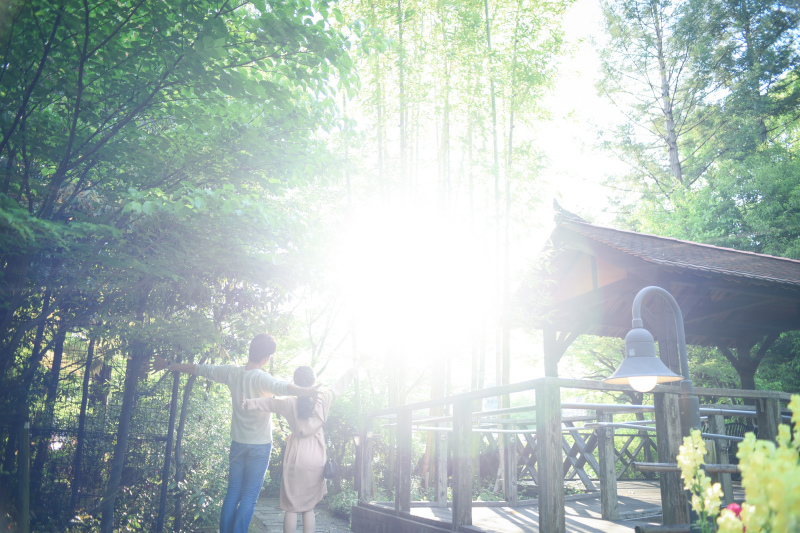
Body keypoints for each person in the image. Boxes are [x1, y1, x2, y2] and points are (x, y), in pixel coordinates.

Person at [151, 333, 318, 533]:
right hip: (260, 446)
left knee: (232, 494)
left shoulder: (232, 372)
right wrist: (307, 391)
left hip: (238, 443)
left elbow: (200, 369)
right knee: (249, 497)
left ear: (250, 351)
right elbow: (284, 387)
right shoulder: (263, 378)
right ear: (266, 358)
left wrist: (168, 364)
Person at [241, 365, 357, 533]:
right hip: (317, 458)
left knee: (291, 508)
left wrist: (248, 403)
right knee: (308, 508)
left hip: (296, 457)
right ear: (313, 382)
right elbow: (339, 386)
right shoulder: (323, 400)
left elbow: (269, 403)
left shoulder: (290, 403)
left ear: (296, 384)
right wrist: (353, 369)